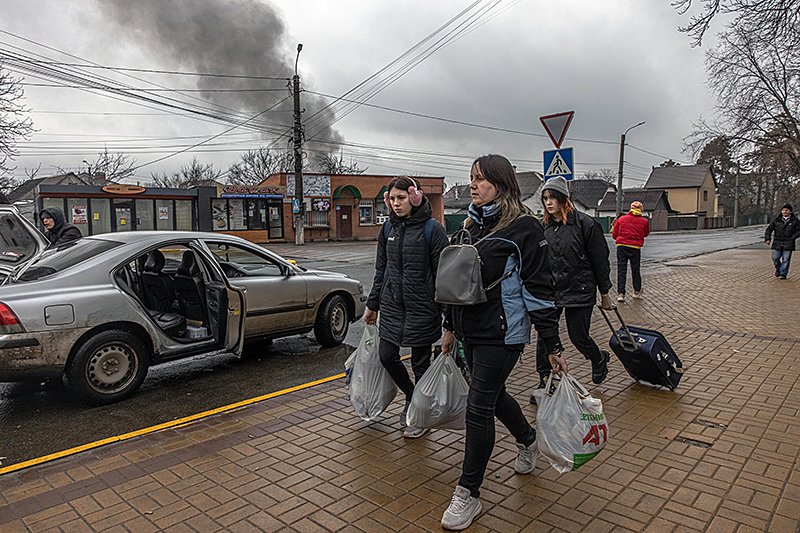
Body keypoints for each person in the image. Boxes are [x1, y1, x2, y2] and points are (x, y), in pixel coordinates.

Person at [439, 154, 566, 530]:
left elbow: (540, 290)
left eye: (481, 179)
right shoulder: (469, 226)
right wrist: (448, 327)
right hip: (469, 330)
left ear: (503, 183)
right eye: (472, 178)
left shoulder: (524, 227)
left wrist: (553, 345)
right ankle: (527, 438)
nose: (474, 185)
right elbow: (454, 285)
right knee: (491, 396)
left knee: (478, 405)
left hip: (503, 333)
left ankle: (468, 493)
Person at [363, 176, 449, 439]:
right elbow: (382, 269)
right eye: (392, 199)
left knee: (421, 364)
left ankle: (420, 417)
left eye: (401, 198)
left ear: (415, 197)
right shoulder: (387, 229)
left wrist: (448, 318)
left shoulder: (432, 230)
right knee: (387, 356)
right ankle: (413, 398)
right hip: (392, 307)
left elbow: (443, 275)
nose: (396, 204)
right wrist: (373, 303)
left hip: (423, 308)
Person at [530, 176, 612, 405]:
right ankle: (544, 379)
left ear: (564, 199)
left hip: (580, 289)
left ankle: (598, 358)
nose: (548, 203)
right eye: (545, 198)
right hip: (551, 291)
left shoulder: (586, 225)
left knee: (578, 336)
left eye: (552, 198)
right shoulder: (543, 227)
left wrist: (605, 292)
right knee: (546, 336)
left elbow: (600, 261)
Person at [612, 200, 651, 301]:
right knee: (635, 270)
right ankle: (636, 291)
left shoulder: (621, 219)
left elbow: (614, 234)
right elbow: (646, 233)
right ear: (641, 210)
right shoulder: (644, 221)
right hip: (635, 248)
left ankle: (621, 294)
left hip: (622, 246)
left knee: (621, 270)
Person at [765, 204, 800, 280]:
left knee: (786, 259)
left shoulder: (795, 221)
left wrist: (793, 237)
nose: (784, 211)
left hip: (788, 242)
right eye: (783, 210)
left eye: (786, 210)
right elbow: (769, 229)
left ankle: (783, 273)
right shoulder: (776, 220)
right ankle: (778, 269)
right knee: (775, 258)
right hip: (777, 242)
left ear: (790, 211)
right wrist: (768, 238)